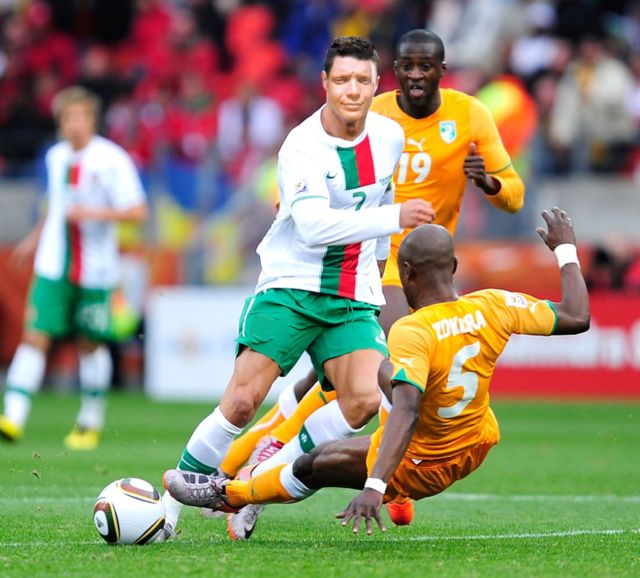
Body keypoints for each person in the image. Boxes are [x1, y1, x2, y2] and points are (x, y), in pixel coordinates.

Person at [217, 28, 525, 524]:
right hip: (373, 261)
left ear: (441, 72)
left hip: (430, 267)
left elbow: (514, 196)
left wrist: (488, 182)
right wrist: (293, 203)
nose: (417, 75)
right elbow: (316, 161)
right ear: (394, 73)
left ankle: (255, 456)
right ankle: (271, 470)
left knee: (338, 382)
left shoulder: (470, 115)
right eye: (408, 66)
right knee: (392, 375)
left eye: (426, 66)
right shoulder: (374, 112)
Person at [164, 207, 590, 540]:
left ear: (405, 274)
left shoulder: (412, 330)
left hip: (421, 463)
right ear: (454, 267)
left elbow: (406, 411)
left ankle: (230, 494)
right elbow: (576, 316)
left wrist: (375, 485)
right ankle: (389, 492)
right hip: (476, 443)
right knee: (382, 374)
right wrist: (565, 249)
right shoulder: (494, 304)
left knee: (314, 464)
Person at [158, 36, 435, 538]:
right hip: (291, 286)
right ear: (325, 83)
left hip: (351, 295)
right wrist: (396, 219)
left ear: (377, 84)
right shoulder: (302, 146)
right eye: (343, 80)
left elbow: (383, 192)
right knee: (242, 402)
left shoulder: (390, 137)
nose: (353, 90)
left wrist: (376, 272)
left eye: (363, 80)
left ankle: (258, 478)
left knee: (363, 400)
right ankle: (165, 512)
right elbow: (313, 227)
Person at [0, 86, 147, 449]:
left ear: (93, 121)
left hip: (95, 272)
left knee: (89, 344)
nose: (74, 124)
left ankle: (89, 422)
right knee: (34, 335)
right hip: (52, 266)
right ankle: (12, 417)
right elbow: (56, 203)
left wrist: (92, 213)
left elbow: (137, 211)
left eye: (80, 117)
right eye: (67, 117)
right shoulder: (56, 156)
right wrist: (34, 239)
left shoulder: (112, 159)